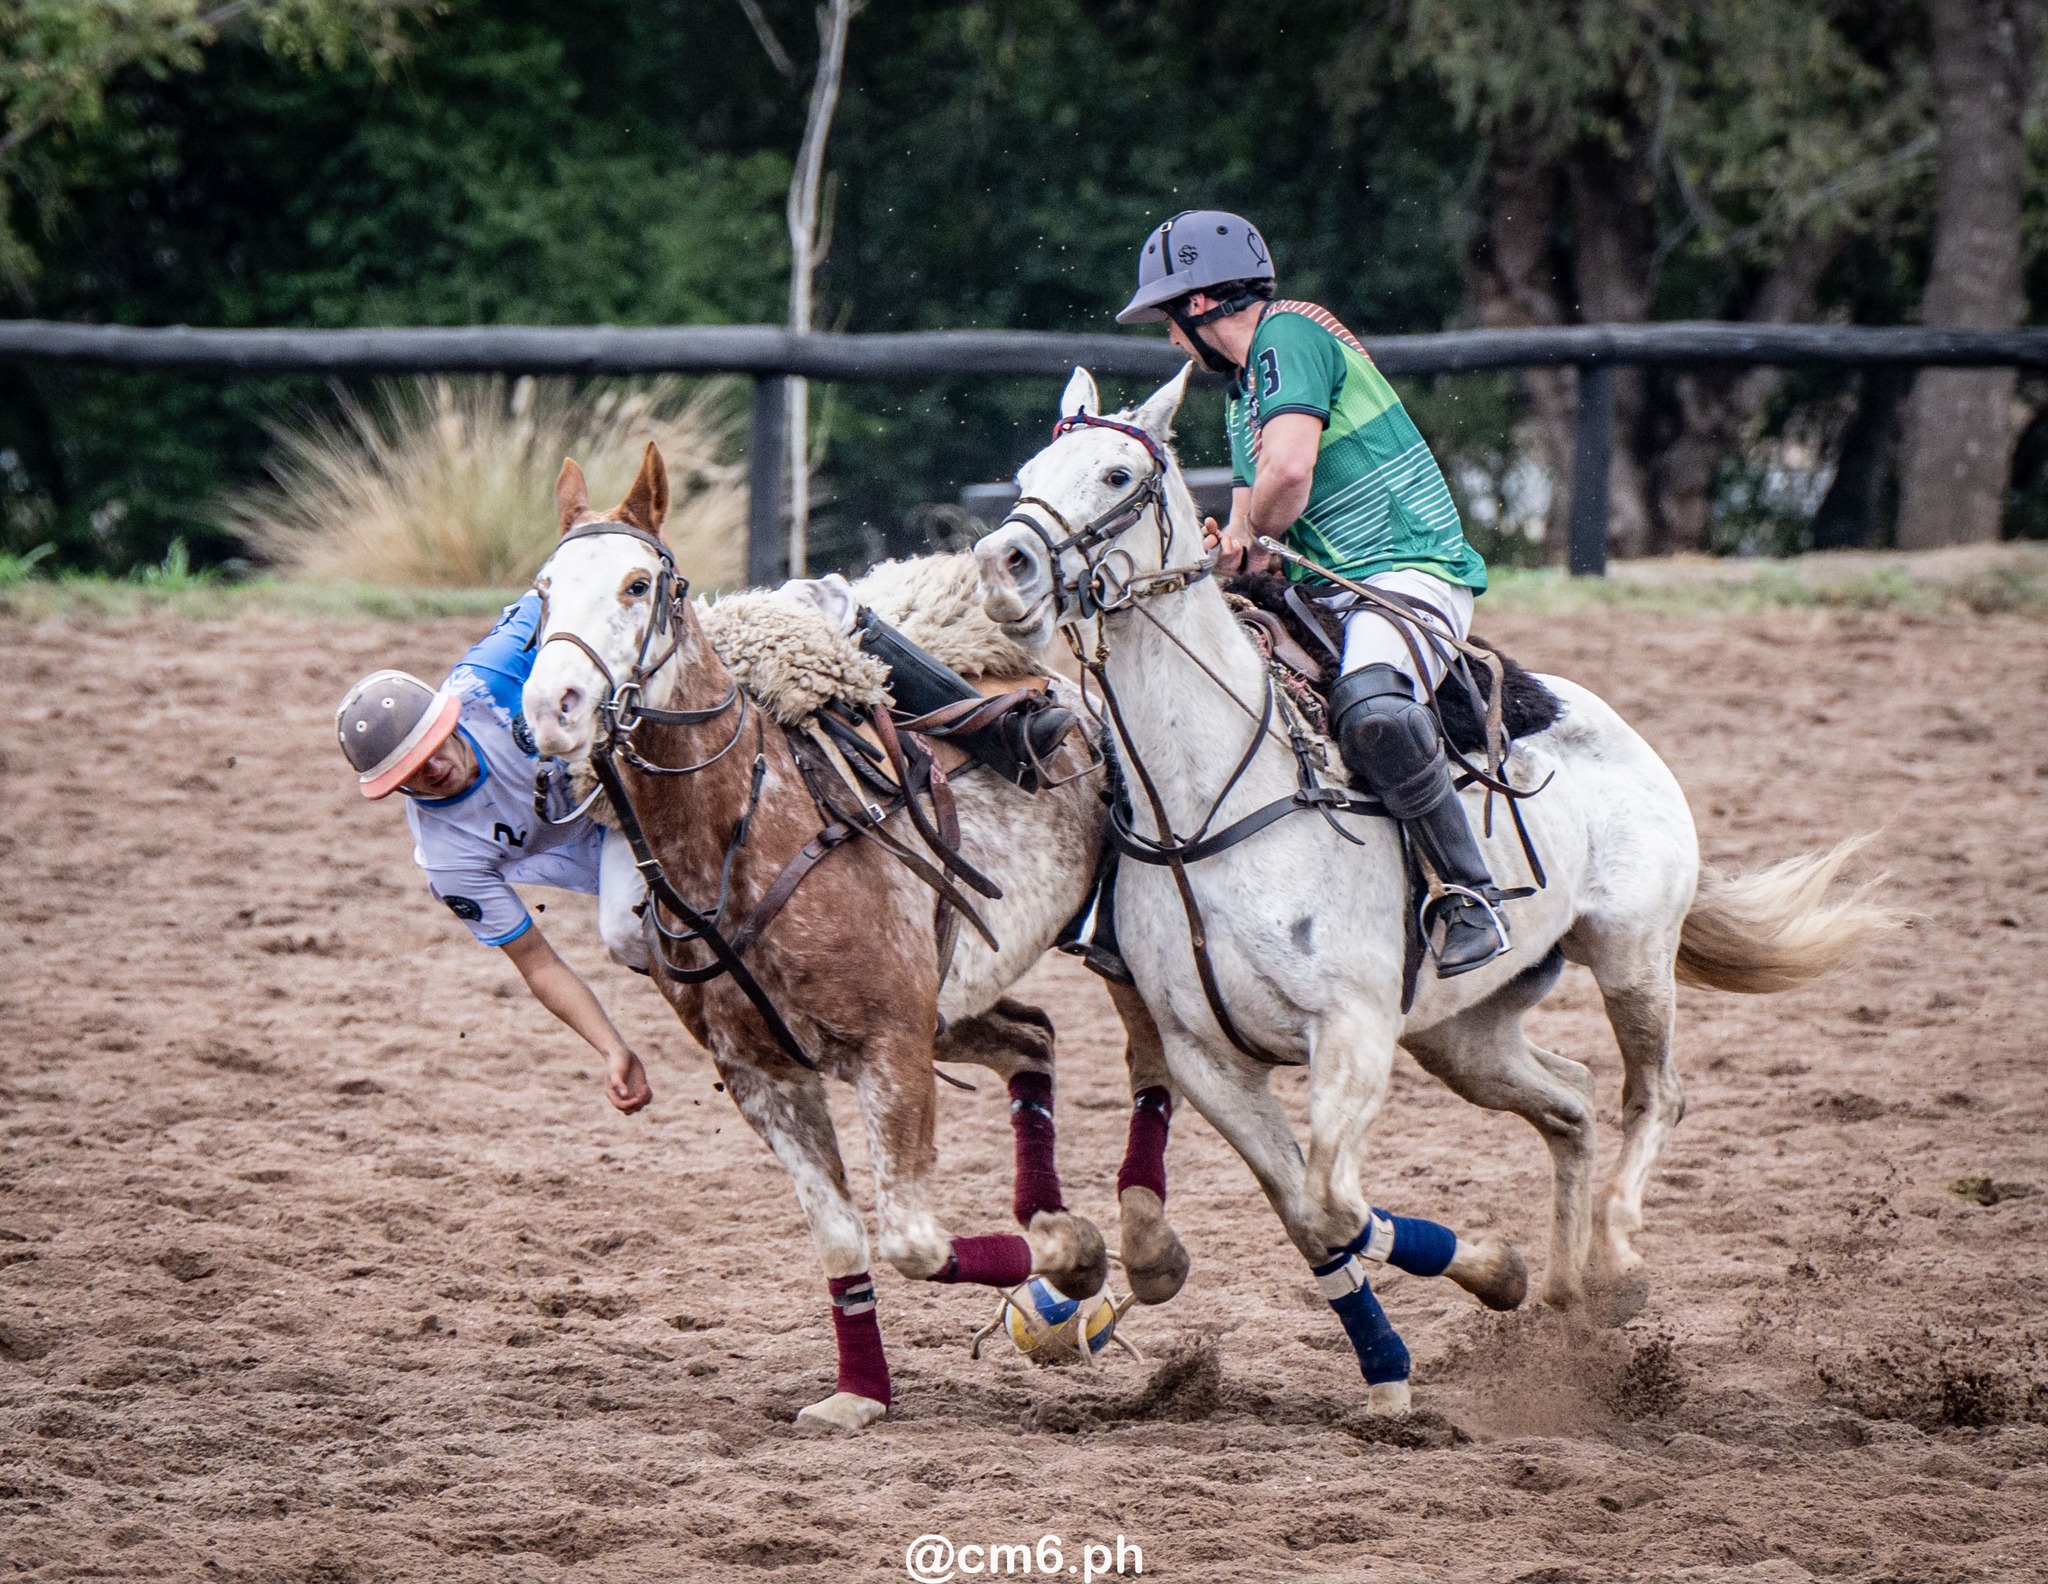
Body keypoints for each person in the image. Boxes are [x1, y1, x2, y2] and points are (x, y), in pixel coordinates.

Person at [1116, 209, 1509, 975]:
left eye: (1166, 317)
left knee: (1372, 704)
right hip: (1320, 595)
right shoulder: (1239, 400)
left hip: (1407, 573)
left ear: (1198, 304)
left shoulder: (1288, 335)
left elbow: (1287, 481)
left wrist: (1248, 537)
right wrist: (1225, 551)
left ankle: (1469, 893)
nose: (1166, 339)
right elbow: (1249, 529)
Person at [335, 592, 657, 1110]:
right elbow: (537, 963)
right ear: (391, 786)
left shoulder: (491, 676)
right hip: (603, 837)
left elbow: (556, 592)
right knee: (625, 933)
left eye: (432, 745)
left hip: (642, 751)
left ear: (448, 718)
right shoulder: (448, 859)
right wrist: (610, 1048)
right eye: (409, 771)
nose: (432, 768)